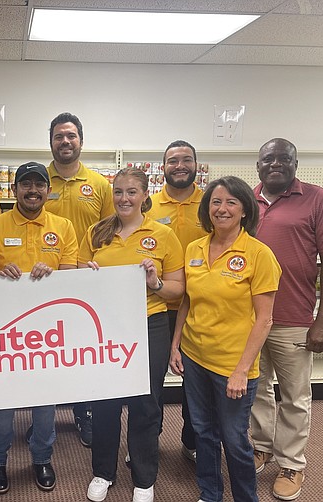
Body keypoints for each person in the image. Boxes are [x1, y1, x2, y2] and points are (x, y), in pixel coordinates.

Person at [169, 176, 281, 502]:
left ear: (245, 210)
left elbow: (265, 319)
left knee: (234, 439)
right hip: (194, 356)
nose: (222, 208)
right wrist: (175, 346)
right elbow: (187, 301)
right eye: (216, 202)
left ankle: (246, 498)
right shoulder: (194, 248)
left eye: (231, 202)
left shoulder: (259, 255)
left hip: (233, 365)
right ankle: (210, 493)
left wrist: (242, 370)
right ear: (208, 209)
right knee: (203, 432)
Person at [80, 167, 185, 502]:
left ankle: (144, 477)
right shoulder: (97, 232)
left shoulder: (163, 235)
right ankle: (103, 472)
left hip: (149, 324)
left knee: (146, 402)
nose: (124, 199)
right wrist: (89, 275)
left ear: (144, 194)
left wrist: (155, 282)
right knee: (105, 400)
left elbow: (178, 290)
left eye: (131, 192)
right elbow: (77, 277)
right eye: (119, 192)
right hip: (104, 325)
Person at [250, 138, 323, 501]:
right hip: (252, 319)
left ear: (295, 163)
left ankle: (291, 462)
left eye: (283, 159)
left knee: (294, 395)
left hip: (294, 318)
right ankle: (261, 446)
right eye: (267, 159)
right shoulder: (248, 199)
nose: (275, 164)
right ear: (258, 165)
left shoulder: (318, 199)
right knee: (256, 388)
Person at [0, 161, 78, 494]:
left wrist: (52, 274)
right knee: (1, 407)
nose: (33, 191)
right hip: (4, 332)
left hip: (47, 333)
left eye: (39, 185)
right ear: (14, 189)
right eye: (26, 184)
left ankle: (41, 458)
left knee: (45, 404)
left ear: (48, 190)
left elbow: (69, 279)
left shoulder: (64, 227)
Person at [44, 111, 114, 448]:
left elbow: (110, 233)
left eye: (71, 136)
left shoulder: (100, 184)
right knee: (46, 349)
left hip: (86, 279)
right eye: (59, 136)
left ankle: (84, 411)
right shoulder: (38, 180)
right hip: (44, 282)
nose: (65, 141)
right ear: (51, 142)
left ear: (81, 141)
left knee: (85, 351)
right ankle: (43, 420)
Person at [147, 139, 208, 463]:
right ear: (163, 167)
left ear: (196, 164)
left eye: (186, 159)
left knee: (194, 383)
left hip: (199, 308)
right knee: (151, 382)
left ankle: (192, 441)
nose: (180, 165)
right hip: (156, 307)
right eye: (173, 160)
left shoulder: (211, 203)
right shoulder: (150, 205)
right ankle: (148, 441)